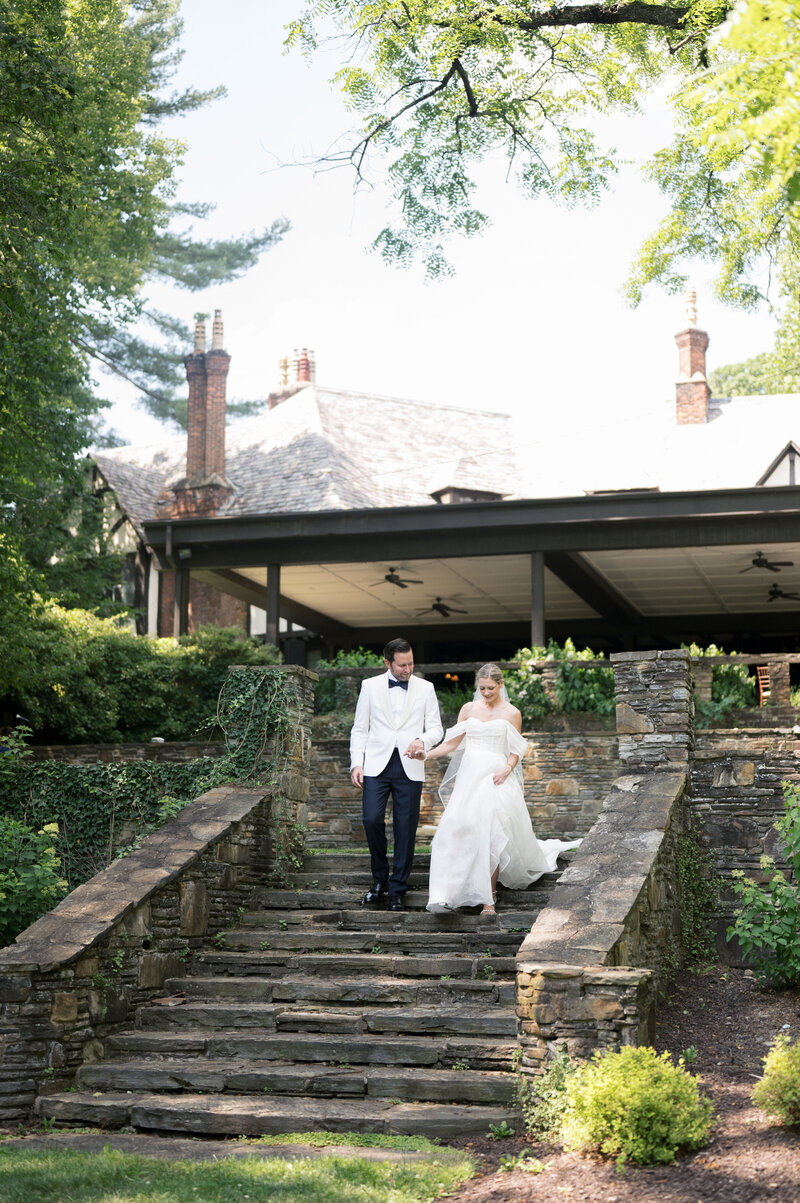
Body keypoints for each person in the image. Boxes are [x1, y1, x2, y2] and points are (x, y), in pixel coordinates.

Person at [418, 663, 580, 916]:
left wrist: (507, 767)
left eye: (490, 688)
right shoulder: (468, 709)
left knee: (491, 834)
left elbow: (517, 748)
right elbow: (451, 744)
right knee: (457, 830)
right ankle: (449, 893)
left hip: (496, 778)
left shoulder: (512, 713)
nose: (485, 692)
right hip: (470, 779)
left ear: (501, 685)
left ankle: (488, 899)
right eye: (481, 688)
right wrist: (426, 754)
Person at [349, 638, 443, 912]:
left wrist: (421, 741)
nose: (408, 669)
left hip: (409, 767)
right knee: (371, 819)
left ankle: (397, 889)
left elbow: (436, 729)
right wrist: (357, 763)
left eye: (411, 663)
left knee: (405, 830)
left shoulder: (426, 688)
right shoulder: (369, 686)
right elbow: (359, 729)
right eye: (402, 665)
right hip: (375, 766)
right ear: (387, 663)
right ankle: (379, 881)